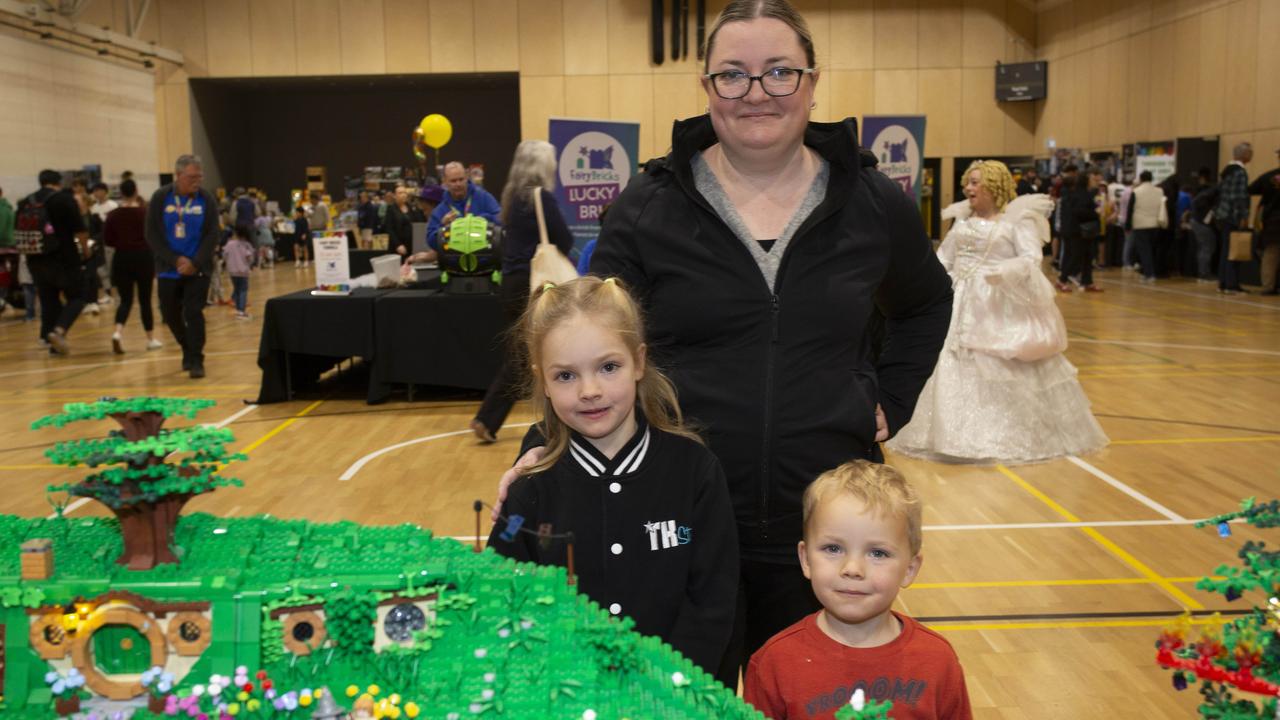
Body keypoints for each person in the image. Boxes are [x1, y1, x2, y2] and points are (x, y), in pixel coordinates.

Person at [495, 0, 953, 685]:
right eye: (733, 75)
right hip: (672, 521)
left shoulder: (871, 201)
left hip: (819, 534)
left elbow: (926, 302)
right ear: (707, 87)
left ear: (813, 81)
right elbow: (587, 340)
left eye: (780, 73)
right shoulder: (649, 207)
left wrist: (891, 395)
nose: (757, 94)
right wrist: (543, 449)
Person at [487, 276, 738, 676]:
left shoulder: (696, 472)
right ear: (543, 382)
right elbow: (500, 595)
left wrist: (668, 687)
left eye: (608, 367)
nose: (589, 390)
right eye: (565, 375)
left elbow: (714, 601)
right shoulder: (527, 492)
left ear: (638, 361)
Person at [887, 160, 1107, 465]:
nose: (969, 188)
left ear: (994, 186)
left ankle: (997, 436)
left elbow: (1031, 258)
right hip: (957, 299)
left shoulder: (1015, 222)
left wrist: (1004, 271)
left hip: (995, 305)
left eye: (976, 183)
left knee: (996, 366)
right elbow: (943, 258)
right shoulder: (962, 220)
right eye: (968, 183)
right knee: (947, 365)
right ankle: (947, 435)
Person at [743, 460, 972, 719]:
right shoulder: (774, 662)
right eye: (833, 548)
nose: (852, 568)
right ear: (806, 559)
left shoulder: (937, 660)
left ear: (909, 568)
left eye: (877, 553)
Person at [469, 141, 576, 443]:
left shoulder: (512, 198)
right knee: (547, 352)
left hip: (511, 282)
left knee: (523, 354)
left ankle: (488, 419)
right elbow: (563, 240)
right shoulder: (541, 197)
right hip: (537, 284)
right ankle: (493, 419)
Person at [145, 154, 219, 379]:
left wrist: (195, 262)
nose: (197, 181)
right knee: (170, 313)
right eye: (192, 177)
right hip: (169, 267)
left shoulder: (206, 199)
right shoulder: (161, 197)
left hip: (198, 267)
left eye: (200, 176)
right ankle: (187, 346)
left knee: (194, 311)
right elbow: (152, 234)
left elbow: (212, 234)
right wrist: (176, 260)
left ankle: (197, 359)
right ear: (178, 175)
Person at [22, 169, 89, 354]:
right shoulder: (63, 200)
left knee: (49, 300)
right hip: (63, 257)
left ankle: (51, 342)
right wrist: (85, 251)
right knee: (78, 296)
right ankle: (59, 331)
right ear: (58, 182)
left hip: (35, 259)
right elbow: (80, 230)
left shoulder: (26, 201)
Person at [104, 179, 161, 354]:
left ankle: (117, 332)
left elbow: (108, 240)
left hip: (122, 258)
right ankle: (150, 339)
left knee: (125, 300)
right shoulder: (146, 213)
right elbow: (155, 236)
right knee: (145, 300)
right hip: (143, 258)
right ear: (136, 191)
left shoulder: (112, 215)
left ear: (121, 193)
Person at [426, 161, 501, 250]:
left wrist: (482, 220)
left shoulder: (484, 197)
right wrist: (442, 227)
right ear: (445, 182)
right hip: (454, 260)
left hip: (484, 257)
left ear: (466, 177)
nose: (458, 184)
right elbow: (431, 242)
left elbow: (501, 221)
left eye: (461, 179)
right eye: (453, 181)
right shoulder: (440, 210)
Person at [1054, 172, 1104, 293]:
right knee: (1075, 256)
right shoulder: (1082, 195)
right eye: (1092, 179)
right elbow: (1079, 212)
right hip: (1078, 231)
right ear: (1086, 181)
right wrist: (1096, 214)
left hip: (1078, 230)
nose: (1094, 182)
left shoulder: (1079, 193)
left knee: (1088, 256)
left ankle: (1087, 282)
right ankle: (1062, 280)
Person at [1216, 142, 1253, 294]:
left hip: (1222, 214)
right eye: (1250, 152)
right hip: (1232, 215)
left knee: (1225, 250)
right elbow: (1239, 196)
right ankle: (1231, 284)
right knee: (1233, 250)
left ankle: (1223, 282)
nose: (1252, 155)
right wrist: (1243, 216)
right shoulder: (1240, 172)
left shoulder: (1228, 170)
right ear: (1244, 155)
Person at [1250, 147, 1280, 295]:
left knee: (1271, 253)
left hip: (1273, 221)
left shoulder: (1269, 177)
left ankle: (1268, 286)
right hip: (1273, 221)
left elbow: (1250, 189)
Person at [1129, 170, 1167, 284]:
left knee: (1144, 251)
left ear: (1141, 179)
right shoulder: (1159, 191)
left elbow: (1130, 209)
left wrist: (1127, 225)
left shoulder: (1136, 191)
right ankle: (1151, 272)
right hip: (1155, 224)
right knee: (1152, 249)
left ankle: (1149, 274)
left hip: (1140, 224)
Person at [89, 182, 118, 306]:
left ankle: (119, 294)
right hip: (98, 243)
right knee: (101, 269)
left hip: (111, 243)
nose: (97, 193)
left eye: (99, 190)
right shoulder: (93, 208)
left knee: (113, 268)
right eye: (95, 191)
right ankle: (108, 294)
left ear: (105, 191)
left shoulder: (113, 205)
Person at [1188, 168, 1218, 283]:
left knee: (1203, 247)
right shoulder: (1209, 191)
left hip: (1196, 221)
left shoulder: (1197, 191)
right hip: (1202, 222)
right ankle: (1204, 274)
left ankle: (1202, 272)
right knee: (1207, 247)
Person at [224, 224, 255, 320]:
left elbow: (225, 255)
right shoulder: (246, 245)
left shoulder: (229, 244)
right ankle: (241, 311)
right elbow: (249, 257)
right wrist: (249, 265)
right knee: (243, 290)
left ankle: (238, 310)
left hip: (232, 271)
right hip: (243, 271)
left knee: (237, 290)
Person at [384, 186, 412, 256]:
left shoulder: (411, 208)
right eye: (400, 193)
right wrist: (398, 245)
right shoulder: (391, 209)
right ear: (395, 196)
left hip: (411, 245)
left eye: (405, 193)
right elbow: (389, 228)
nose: (403, 195)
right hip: (397, 246)